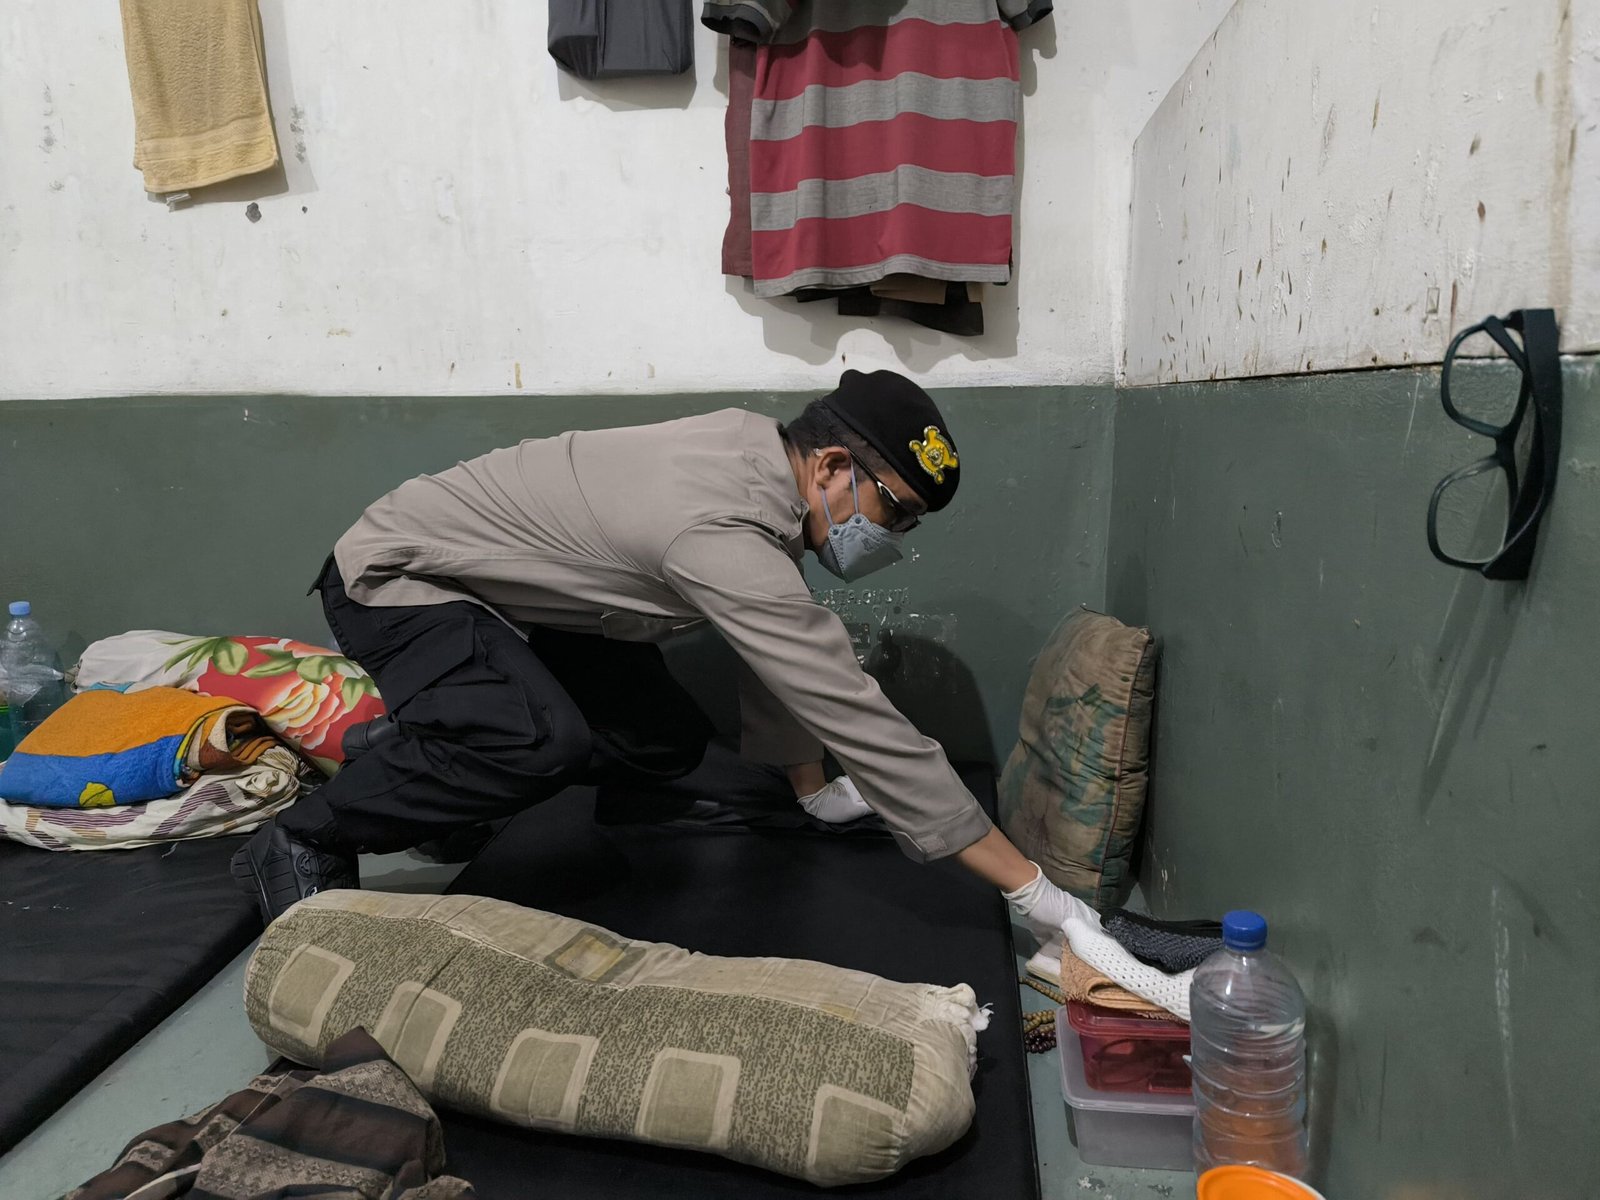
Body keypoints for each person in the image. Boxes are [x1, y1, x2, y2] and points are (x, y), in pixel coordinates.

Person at [231, 369, 1090, 940]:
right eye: (894, 511)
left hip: (516, 602)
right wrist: (1032, 892)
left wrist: (810, 789)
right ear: (833, 465)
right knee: (539, 743)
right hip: (403, 577)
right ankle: (304, 836)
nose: (893, 534)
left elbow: (774, 645)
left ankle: (431, 754)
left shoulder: (760, 461)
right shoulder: (715, 523)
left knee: (662, 743)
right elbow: (848, 706)